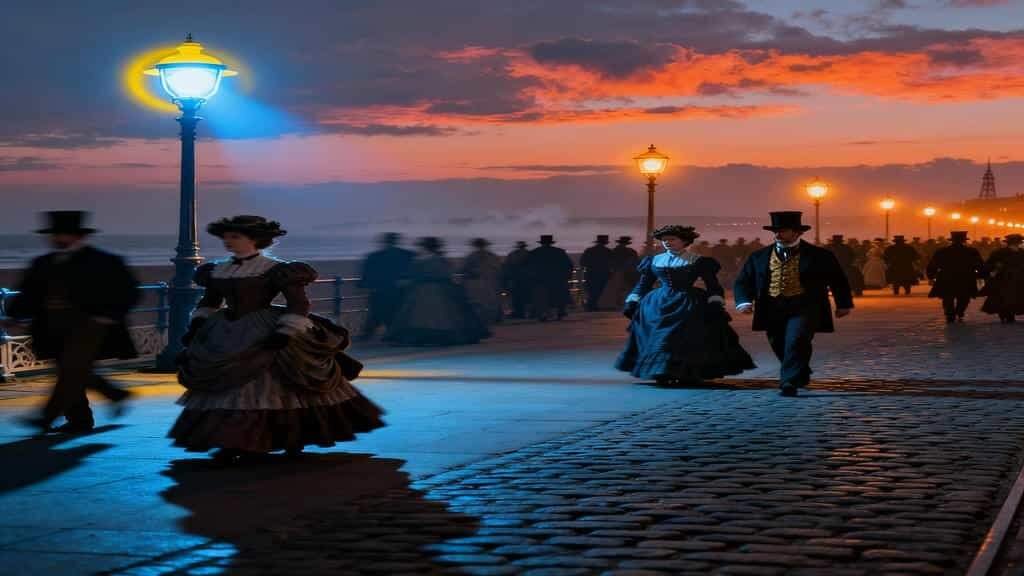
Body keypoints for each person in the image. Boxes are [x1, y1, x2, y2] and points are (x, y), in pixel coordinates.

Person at [170, 215, 384, 462]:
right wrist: (197, 324)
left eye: (235, 237)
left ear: (255, 240)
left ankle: (286, 437)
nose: (228, 242)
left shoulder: (276, 270)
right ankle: (232, 441)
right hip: (225, 329)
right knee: (229, 384)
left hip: (266, 327)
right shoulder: (218, 270)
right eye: (226, 237)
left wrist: (285, 332)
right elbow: (210, 301)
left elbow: (299, 303)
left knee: (278, 383)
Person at [3, 211, 138, 433]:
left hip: (89, 327)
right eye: (55, 234)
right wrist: (14, 316)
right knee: (73, 372)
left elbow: (128, 291)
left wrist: (106, 316)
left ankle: (46, 417)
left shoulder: (103, 261)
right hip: (50, 327)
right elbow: (30, 293)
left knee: (71, 371)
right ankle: (91, 412)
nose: (57, 239)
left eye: (62, 234)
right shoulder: (43, 262)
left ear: (78, 236)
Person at [734, 211, 853, 397]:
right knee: (778, 343)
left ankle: (788, 381)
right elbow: (743, 281)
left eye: (783, 231)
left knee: (797, 340)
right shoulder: (758, 256)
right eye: (775, 231)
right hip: (771, 308)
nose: (777, 235)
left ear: (797, 233)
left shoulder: (820, 255)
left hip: (806, 306)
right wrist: (743, 301)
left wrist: (843, 303)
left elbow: (838, 280)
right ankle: (800, 371)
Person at [616, 225, 754, 385]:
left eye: (672, 239)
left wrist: (715, 300)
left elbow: (712, 284)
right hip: (657, 303)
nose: (667, 242)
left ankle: (685, 372)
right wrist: (633, 300)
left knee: (683, 337)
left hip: (688, 302)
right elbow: (644, 284)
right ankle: (662, 371)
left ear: (685, 241)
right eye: (664, 240)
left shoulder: (698, 261)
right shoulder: (654, 260)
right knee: (659, 336)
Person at [384, 237, 490, 346]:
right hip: (434, 290)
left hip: (425, 291)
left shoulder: (427, 260)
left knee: (424, 315)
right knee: (440, 315)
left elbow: (428, 274)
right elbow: (446, 274)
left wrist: (410, 280)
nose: (419, 249)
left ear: (425, 248)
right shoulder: (436, 259)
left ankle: (427, 336)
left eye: (420, 247)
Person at [357, 232, 415, 340]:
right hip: (399, 290)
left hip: (380, 290)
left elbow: (367, 275)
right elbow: (414, 271)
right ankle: (392, 334)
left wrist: (364, 285)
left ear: (384, 242)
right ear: (396, 241)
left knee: (377, 312)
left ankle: (368, 334)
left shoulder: (374, 257)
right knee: (395, 313)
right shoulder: (408, 255)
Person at [927, 231, 985, 324]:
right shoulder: (972, 251)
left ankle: (950, 314)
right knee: (964, 297)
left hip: (946, 277)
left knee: (947, 297)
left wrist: (931, 276)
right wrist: (981, 275)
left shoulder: (942, 251)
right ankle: (960, 311)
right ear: (964, 240)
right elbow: (979, 264)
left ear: (952, 240)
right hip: (966, 277)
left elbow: (933, 264)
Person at [527, 235, 574, 321]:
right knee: (558, 296)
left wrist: (532, 277)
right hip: (557, 278)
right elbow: (569, 265)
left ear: (541, 243)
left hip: (540, 279)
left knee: (541, 298)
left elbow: (528, 266)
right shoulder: (559, 252)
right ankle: (559, 313)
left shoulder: (534, 252)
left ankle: (542, 314)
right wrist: (566, 276)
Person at [981, 233, 1024, 324]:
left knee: (1014, 298)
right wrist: (996, 266)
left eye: (1017, 242)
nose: (1015, 244)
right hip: (1004, 279)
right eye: (1014, 242)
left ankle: (1009, 315)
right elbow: (989, 264)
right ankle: (1005, 315)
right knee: (1003, 298)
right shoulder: (1000, 253)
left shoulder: (1022, 252)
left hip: (1018, 279)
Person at [461, 238, 504, 325]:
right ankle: (495, 317)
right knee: (493, 300)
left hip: (478, 283)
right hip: (492, 282)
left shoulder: (472, 256)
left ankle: (484, 318)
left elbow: (464, 269)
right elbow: (499, 269)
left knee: (480, 301)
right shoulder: (493, 256)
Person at [599, 236, 641, 310]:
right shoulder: (631, 251)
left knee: (616, 289)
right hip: (629, 272)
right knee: (627, 289)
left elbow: (611, 262)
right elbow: (636, 262)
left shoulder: (615, 251)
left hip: (618, 272)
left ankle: (614, 304)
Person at [579, 235, 613, 311]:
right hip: (603, 274)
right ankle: (593, 305)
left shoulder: (589, 250)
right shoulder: (608, 252)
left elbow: (582, 262)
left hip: (590, 273)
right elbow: (612, 264)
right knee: (599, 291)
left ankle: (590, 305)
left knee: (591, 290)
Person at [501, 241, 532, 319]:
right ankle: (526, 313)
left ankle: (518, 313)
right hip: (527, 279)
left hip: (515, 279)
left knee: (516, 297)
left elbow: (506, 267)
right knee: (526, 297)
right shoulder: (530, 254)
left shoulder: (512, 255)